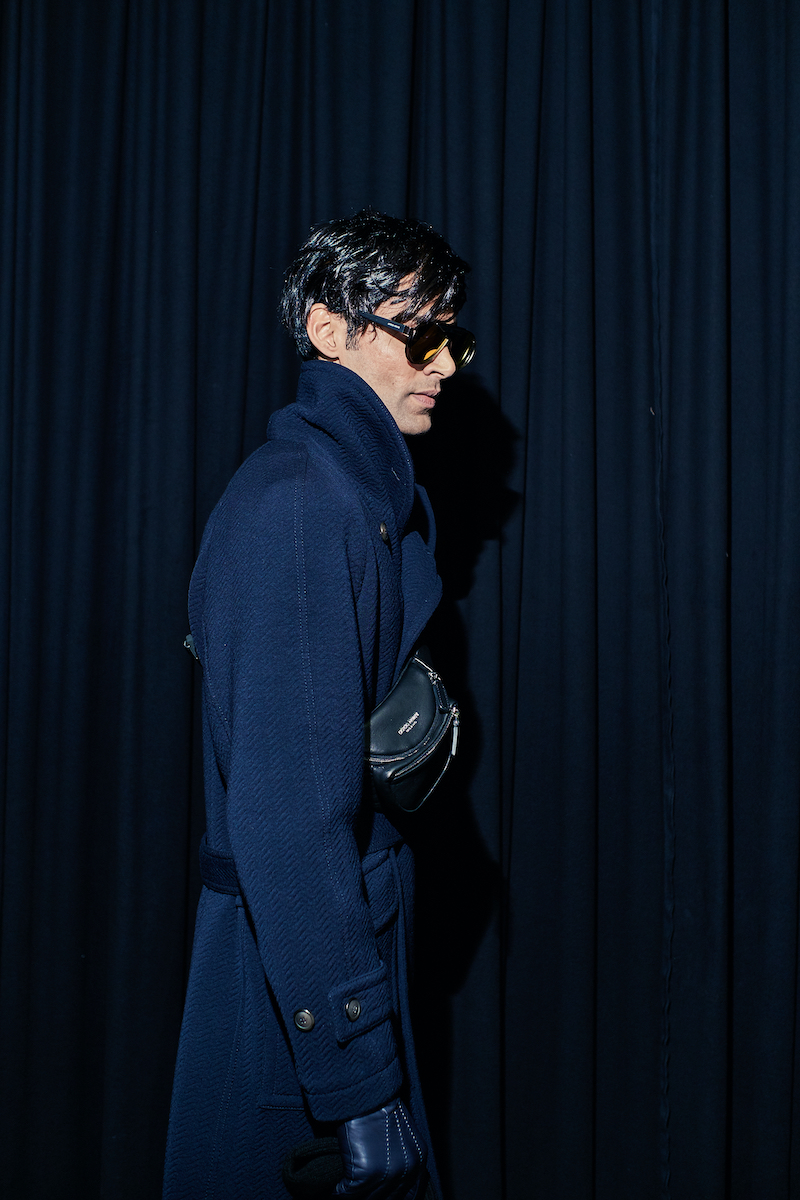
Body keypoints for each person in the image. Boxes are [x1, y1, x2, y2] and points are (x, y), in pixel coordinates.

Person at [163, 210, 474, 1200]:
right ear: (328, 330)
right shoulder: (299, 506)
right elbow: (289, 824)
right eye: (420, 335)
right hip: (293, 984)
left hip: (332, 953)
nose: (446, 363)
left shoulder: (353, 495)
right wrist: (359, 1083)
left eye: (453, 337)